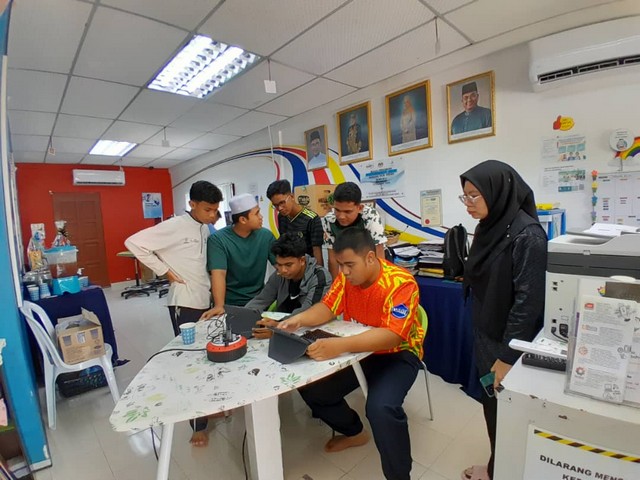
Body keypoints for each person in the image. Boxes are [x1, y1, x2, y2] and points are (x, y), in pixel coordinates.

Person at [279, 228, 424, 480]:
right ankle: (355, 432)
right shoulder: (346, 279)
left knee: (381, 408)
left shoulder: (401, 283)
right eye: (340, 265)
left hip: (398, 354)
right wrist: (299, 319)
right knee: (312, 389)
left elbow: (393, 335)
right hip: (361, 350)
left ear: (370, 258)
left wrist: (339, 346)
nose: (344, 272)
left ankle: (400, 476)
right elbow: (328, 307)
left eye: (349, 265)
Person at [459, 160, 547, 480]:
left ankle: (503, 471)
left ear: (497, 191)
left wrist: (508, 357)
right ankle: (498, 467)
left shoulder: (528, 236)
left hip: (508, 342)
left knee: (508, 412)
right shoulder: (489, 226)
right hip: (487, 333)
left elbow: (528, 303)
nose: (468, 203)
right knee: (494, 408)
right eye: (465, 196)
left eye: (474, 195)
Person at [124, 180, 223, 448]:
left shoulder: (204, 227)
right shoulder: (175, 225)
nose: (212, 215)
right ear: (192, 204)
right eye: (207, 209)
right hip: (184, 303)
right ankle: (197, 425)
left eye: (215, 210)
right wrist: (164, 272)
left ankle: (208, 407)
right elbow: (133, 243)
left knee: (208, 357)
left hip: (204, 301)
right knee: (191, 362)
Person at [245, 232, 332, 338]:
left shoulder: (320, 277)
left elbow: (309, 311)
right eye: (279, 264)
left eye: (288, 265)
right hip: (281, 330)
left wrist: (278, 326)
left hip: (310, 333)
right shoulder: (278, 275)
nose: (283, 270)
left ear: (302, 260)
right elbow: (261, 300)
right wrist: (245, 315)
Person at [203, 193, 275, 318]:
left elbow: (281, 265)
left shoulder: (266, 236)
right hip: (230, 304)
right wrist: (219, 305)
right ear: (243, 220)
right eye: (257, 213)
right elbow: (218, 274)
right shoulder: (218, 240)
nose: (261, 217)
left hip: (259, 302)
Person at [321, 181, 387, 278]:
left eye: (347, 212)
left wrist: (378, 282)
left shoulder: (370, 216)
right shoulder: (329, 220)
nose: (341, 216)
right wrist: (336, 284)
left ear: (359, 208)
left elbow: (379, 253)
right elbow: (332, 258)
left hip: (371, 261)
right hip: (348, 263)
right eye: (337, 210)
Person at [266, 179, 324, 266]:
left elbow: (317, 252)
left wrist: (318, 273)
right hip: (289, 268)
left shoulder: (312, 219)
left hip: (307, 268)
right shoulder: (281, 217)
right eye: (276, 205)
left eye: (282, 202)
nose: (280, 208)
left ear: (292, 196)